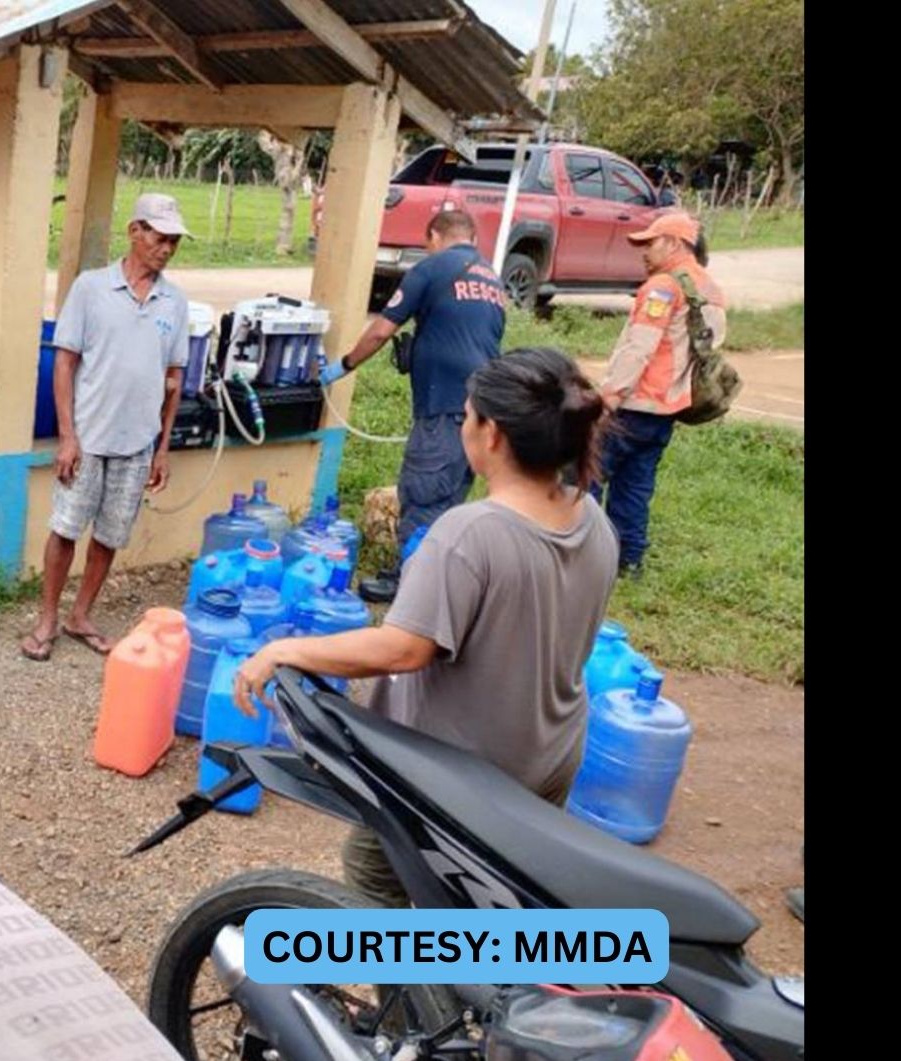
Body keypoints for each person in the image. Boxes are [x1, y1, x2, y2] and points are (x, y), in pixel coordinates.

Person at [234, 348, 618, 909]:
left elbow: (403, 647)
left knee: (376, 879)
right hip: (548, 757)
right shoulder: (594, 521)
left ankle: (420, 998)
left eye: (468, 415)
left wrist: (287, 648)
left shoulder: (470, 534)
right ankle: (479, 992)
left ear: (493, 435)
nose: (463, 424)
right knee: (490, 895)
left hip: (458, 774)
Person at [22, 194, 191, 661]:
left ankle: (81, 615)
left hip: (137, 443)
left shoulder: (174, 302)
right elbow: (64, 364)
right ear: (135, 231)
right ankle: (48, 618)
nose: (167, 248)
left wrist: (161, 448)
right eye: (160, 237)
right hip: (89, 437)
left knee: (111, 535)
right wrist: (68, 436)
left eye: (174, 240)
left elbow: (175, 379)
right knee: (66, 528)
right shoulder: (91, 288)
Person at [321, 210, 507, 602]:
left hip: (443, 406)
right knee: (449, 497)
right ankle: (438, 578)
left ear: (434, 236)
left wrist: (342, 366)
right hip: (482, 410)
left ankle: (410, 583)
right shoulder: (492, 278)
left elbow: (381, 331)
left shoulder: (432, 268)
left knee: (422, 492)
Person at [594, 211, 727, 579]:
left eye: (650, 243)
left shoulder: (662, 287)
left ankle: (579, 554)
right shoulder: (709, 289)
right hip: (668, 407)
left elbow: (640, 348)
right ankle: (629, 560)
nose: (644, 252)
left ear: (674, 242)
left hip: (635, 402)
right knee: (636, 486)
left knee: (587, 474)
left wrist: (610, 397)